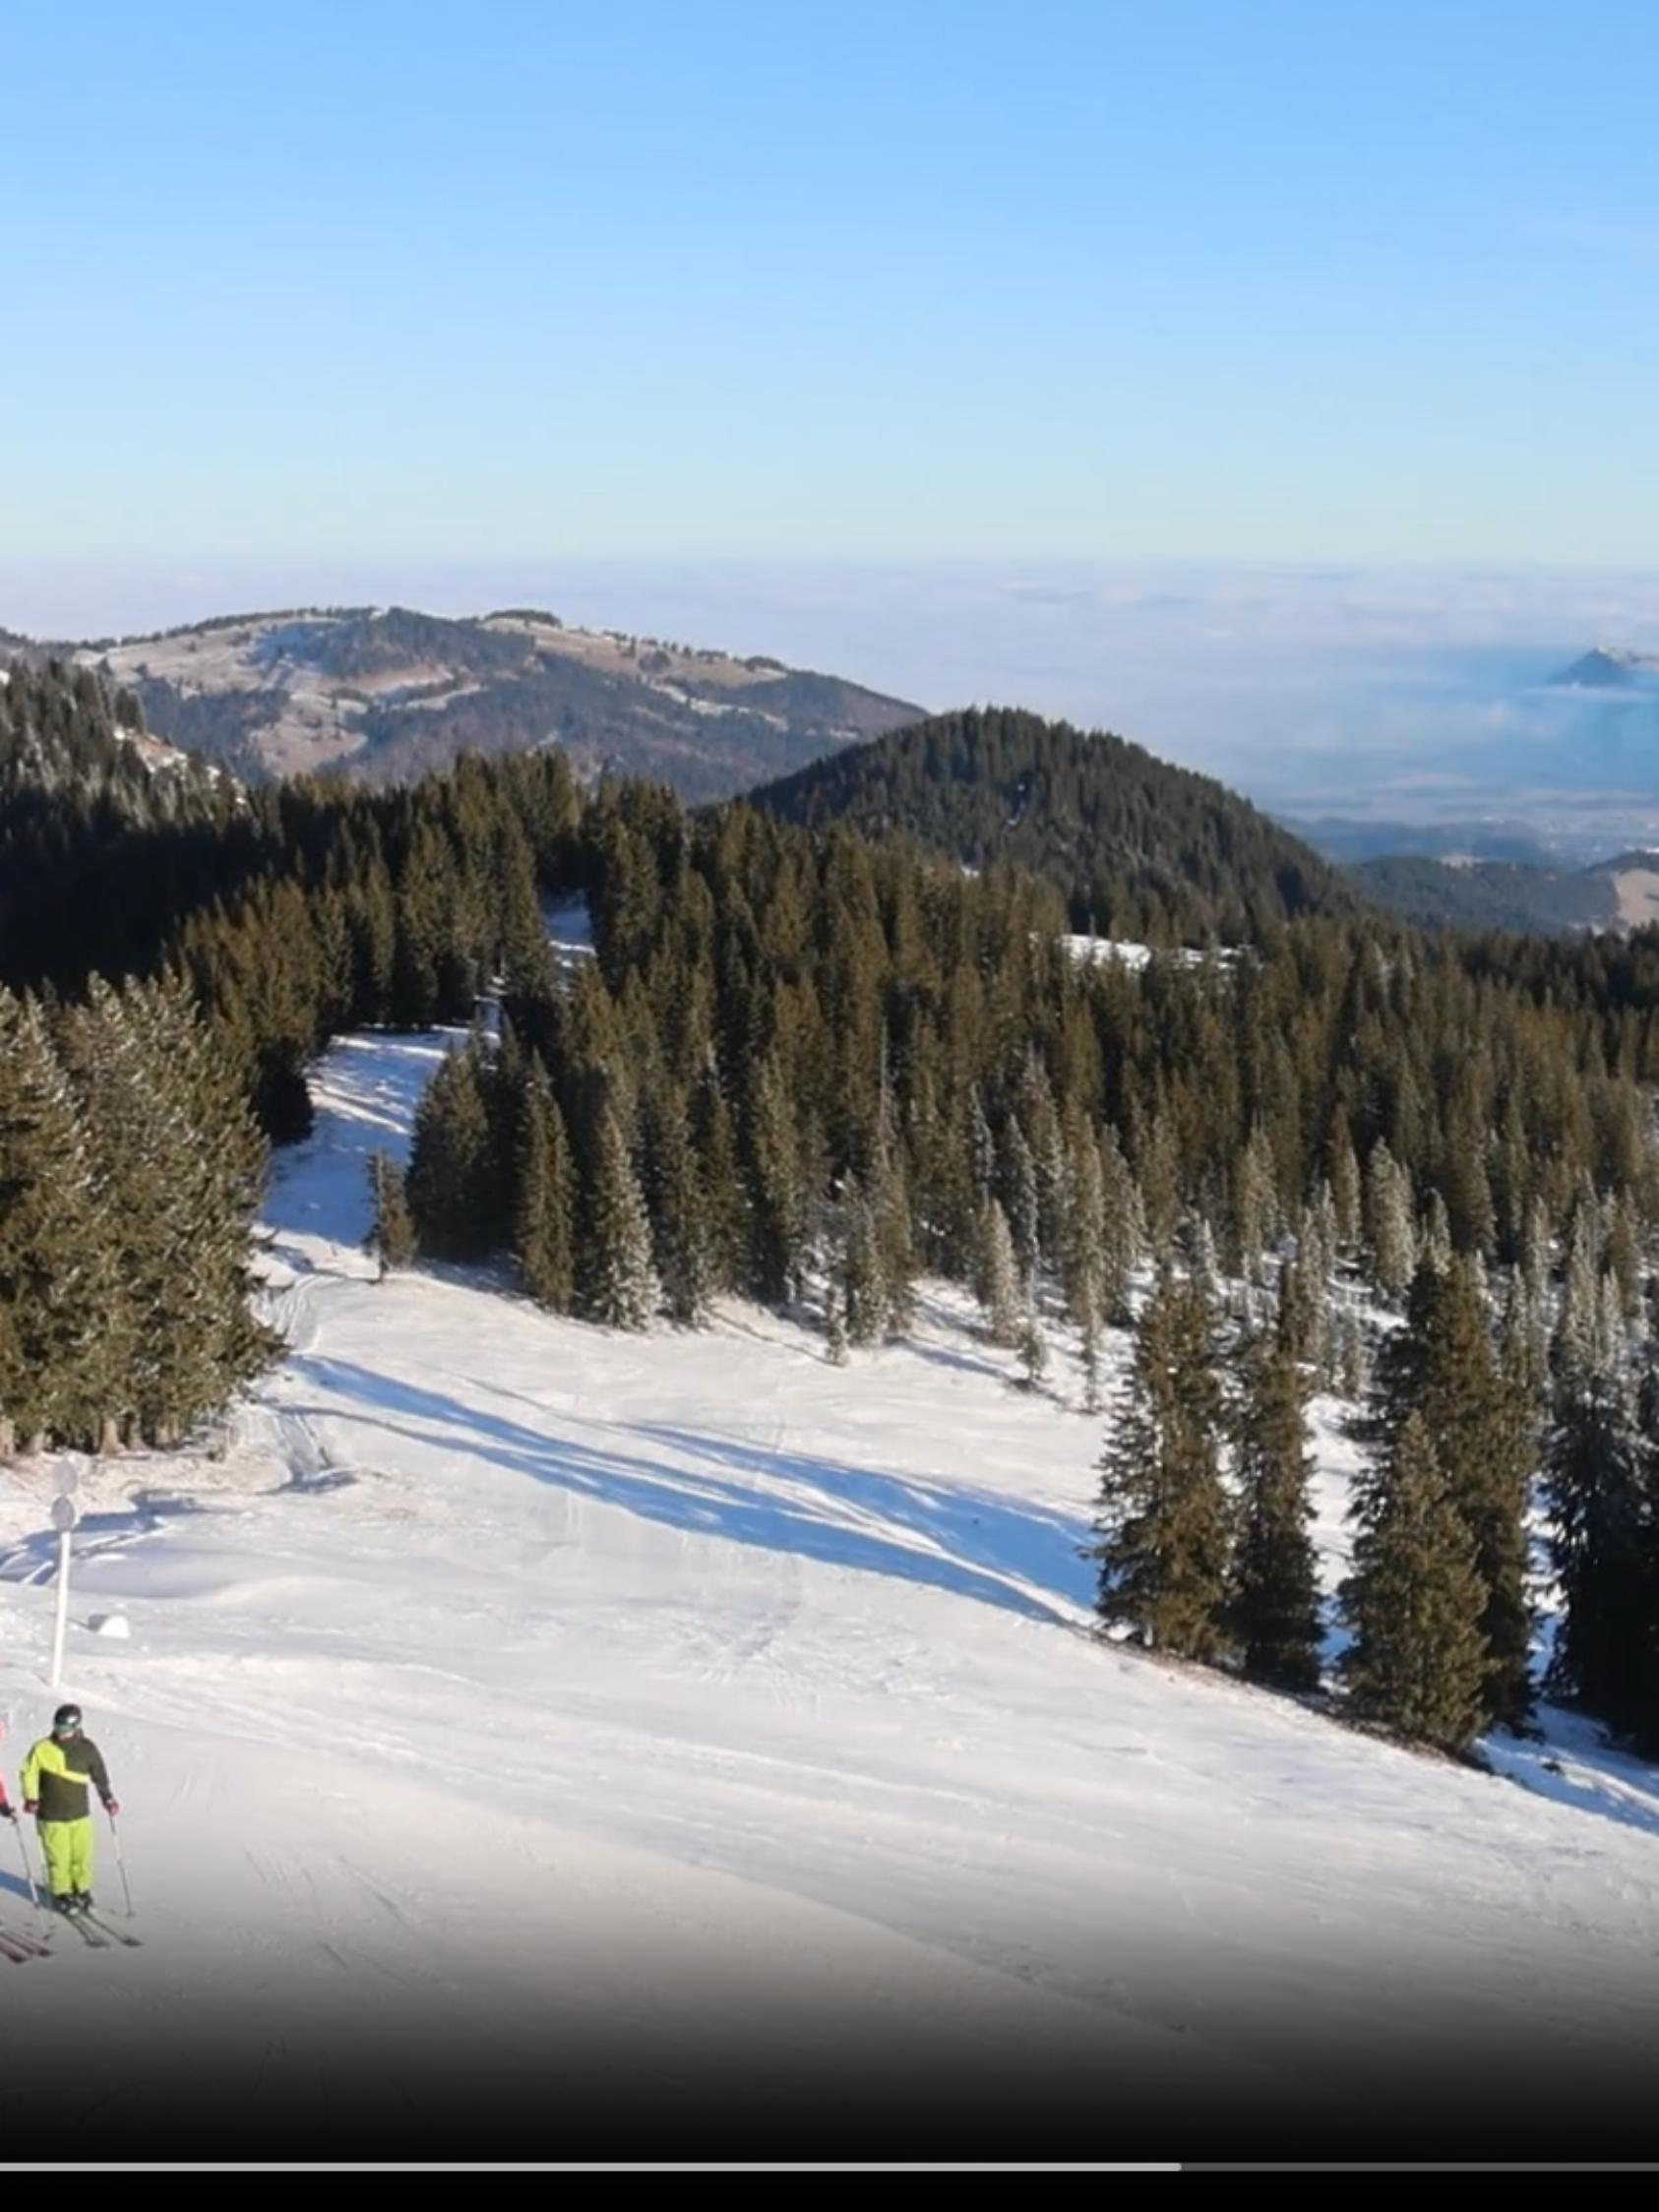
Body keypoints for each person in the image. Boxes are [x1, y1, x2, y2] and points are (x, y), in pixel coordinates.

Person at [20, 1704, 119, 1915]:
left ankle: (81, 1890)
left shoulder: (87, 1749)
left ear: (76, 1727)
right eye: (58, 1727)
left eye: (65, 1729)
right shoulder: (42, 1748)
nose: (60, 1733)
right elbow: (29, 1773)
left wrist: (108, 1798)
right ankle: (62, 1893)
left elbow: (99, 1774)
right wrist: (31, 1798)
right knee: (59, 1857)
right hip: (52, 1814)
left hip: (79, 1813)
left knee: (82, 1856)